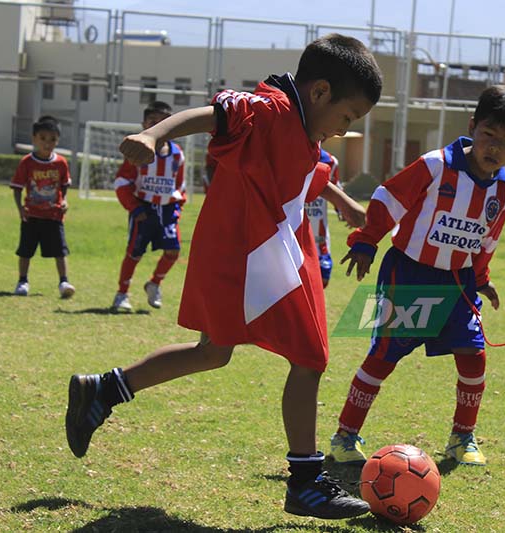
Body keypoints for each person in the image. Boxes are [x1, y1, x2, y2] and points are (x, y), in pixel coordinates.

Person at [64, 33, 382, 520]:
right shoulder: (271, 109)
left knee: (214, 352)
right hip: (247, 251)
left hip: (267, 247)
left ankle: (103, 390)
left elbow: (304, 172)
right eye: (347, 117)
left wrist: (342, 202)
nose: (343, 130)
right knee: (311, 356)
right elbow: (210, 115)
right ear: (320, 92)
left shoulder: (303, 128)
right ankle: (304, 481)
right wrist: (154, 136)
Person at [329, 84, 505, 467]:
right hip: (409, 274)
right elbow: (386, 199)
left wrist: (482, 277)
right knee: (383, 355)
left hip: (458, 281)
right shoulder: (434, 166)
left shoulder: (503, 189)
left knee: (474, 356)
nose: (494, 148)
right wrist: (366, 241)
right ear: (473, 126)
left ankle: (462, 437)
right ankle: (344, 436)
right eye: (488, 135)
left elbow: (486, 239)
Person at [111, 101, 186, 312]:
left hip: (168, 210)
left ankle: (154, 283)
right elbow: (122, 182)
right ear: (144, 124)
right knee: (135, 253)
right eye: (154, 122)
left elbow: (180, 186)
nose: (159, 126)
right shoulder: (138, 152)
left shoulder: (177, 154)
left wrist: (178, 207)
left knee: (173, 251)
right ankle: (121, 294)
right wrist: (134, 208)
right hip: (143, 209)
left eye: (165, 122)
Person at [10, 115, 75, 298]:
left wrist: (64, 201)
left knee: (60, 251)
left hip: (54, 215)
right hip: (32, 215)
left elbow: (64, 185)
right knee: (25, 250)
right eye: (43, 138)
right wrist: (20, 208)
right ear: (34, 139)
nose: (48, 143)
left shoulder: (61, 162)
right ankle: (22, 281)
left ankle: (64, 282)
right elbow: (16, 188)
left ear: (58, 140)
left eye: (52, 139)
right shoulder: (27, 162)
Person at [305, 149, 342, 287]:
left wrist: (342, 209)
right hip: (292, 233)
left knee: (322, 280)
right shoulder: (287, 154)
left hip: (319, 238)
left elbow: (335, 188)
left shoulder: (331, 161)